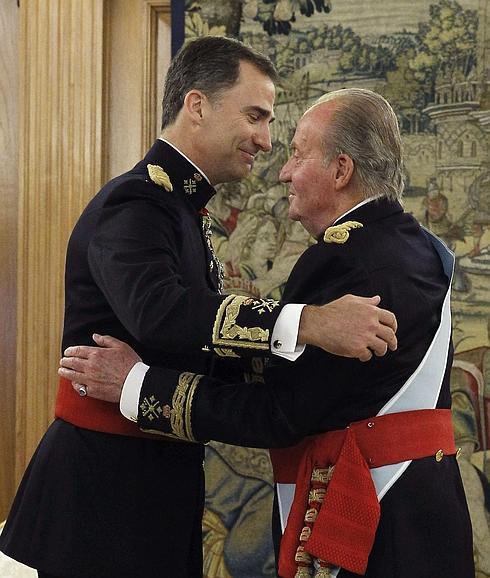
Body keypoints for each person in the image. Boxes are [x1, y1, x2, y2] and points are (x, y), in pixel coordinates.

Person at [0, 38, 397, 578]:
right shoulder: (135, 202)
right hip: (100, 494)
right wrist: (309, 322)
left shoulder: (179, 208)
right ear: (197, 106)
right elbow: (159, 313)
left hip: (153, 483)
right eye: (255, 116)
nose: (265, 139)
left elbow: (195, 344)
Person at [61, 88, 474, 578]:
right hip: (425, 511)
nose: (282, 171)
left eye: (297, 155)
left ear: (341, 171)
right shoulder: (419, 246)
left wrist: (137, 385)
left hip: (371, 522)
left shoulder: (342, 258)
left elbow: (280, 413)